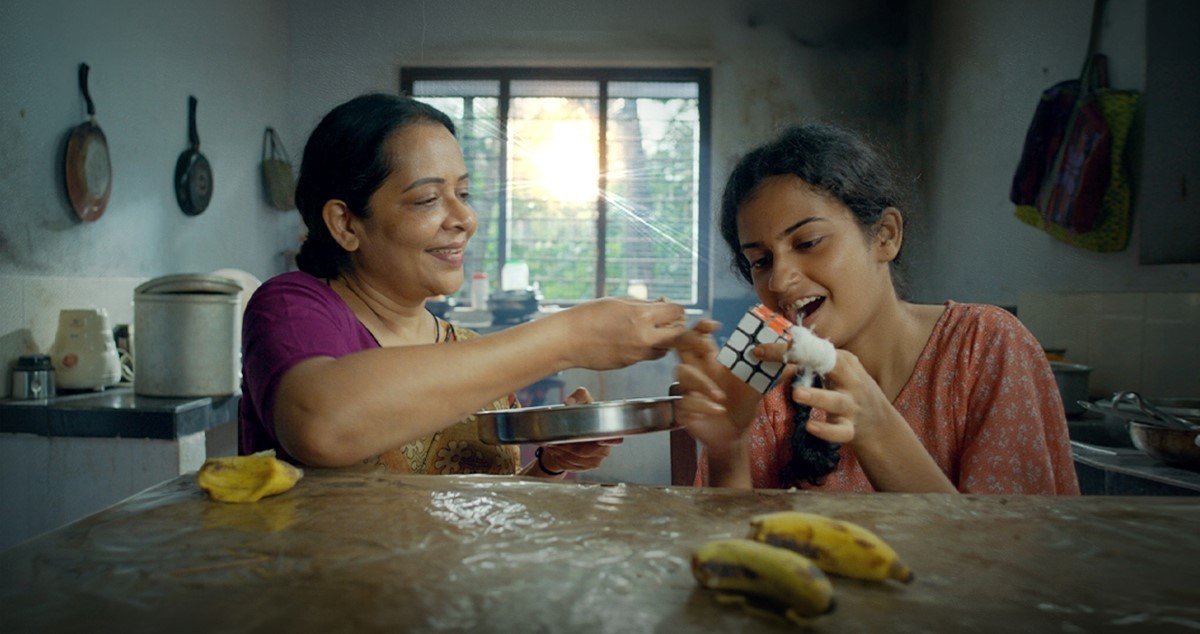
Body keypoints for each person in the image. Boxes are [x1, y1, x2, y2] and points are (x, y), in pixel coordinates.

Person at [239, 93, 685, 478]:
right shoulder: (291, 307)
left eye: (464, 194)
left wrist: (548, 465)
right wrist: (568, 336)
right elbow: (321, 425)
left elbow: (488, 512)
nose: (466, 220)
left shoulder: (468, 350)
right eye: (428, 199)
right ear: (345, 223)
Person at [674, 123, 1079, 494]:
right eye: (760, 261)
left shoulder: (984, 347)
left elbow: (1012, 553)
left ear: (885, 236)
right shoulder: (769, 386)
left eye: (808, 242)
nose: (779, 281)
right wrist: (730, 448)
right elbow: (734, 556)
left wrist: (876, 428)